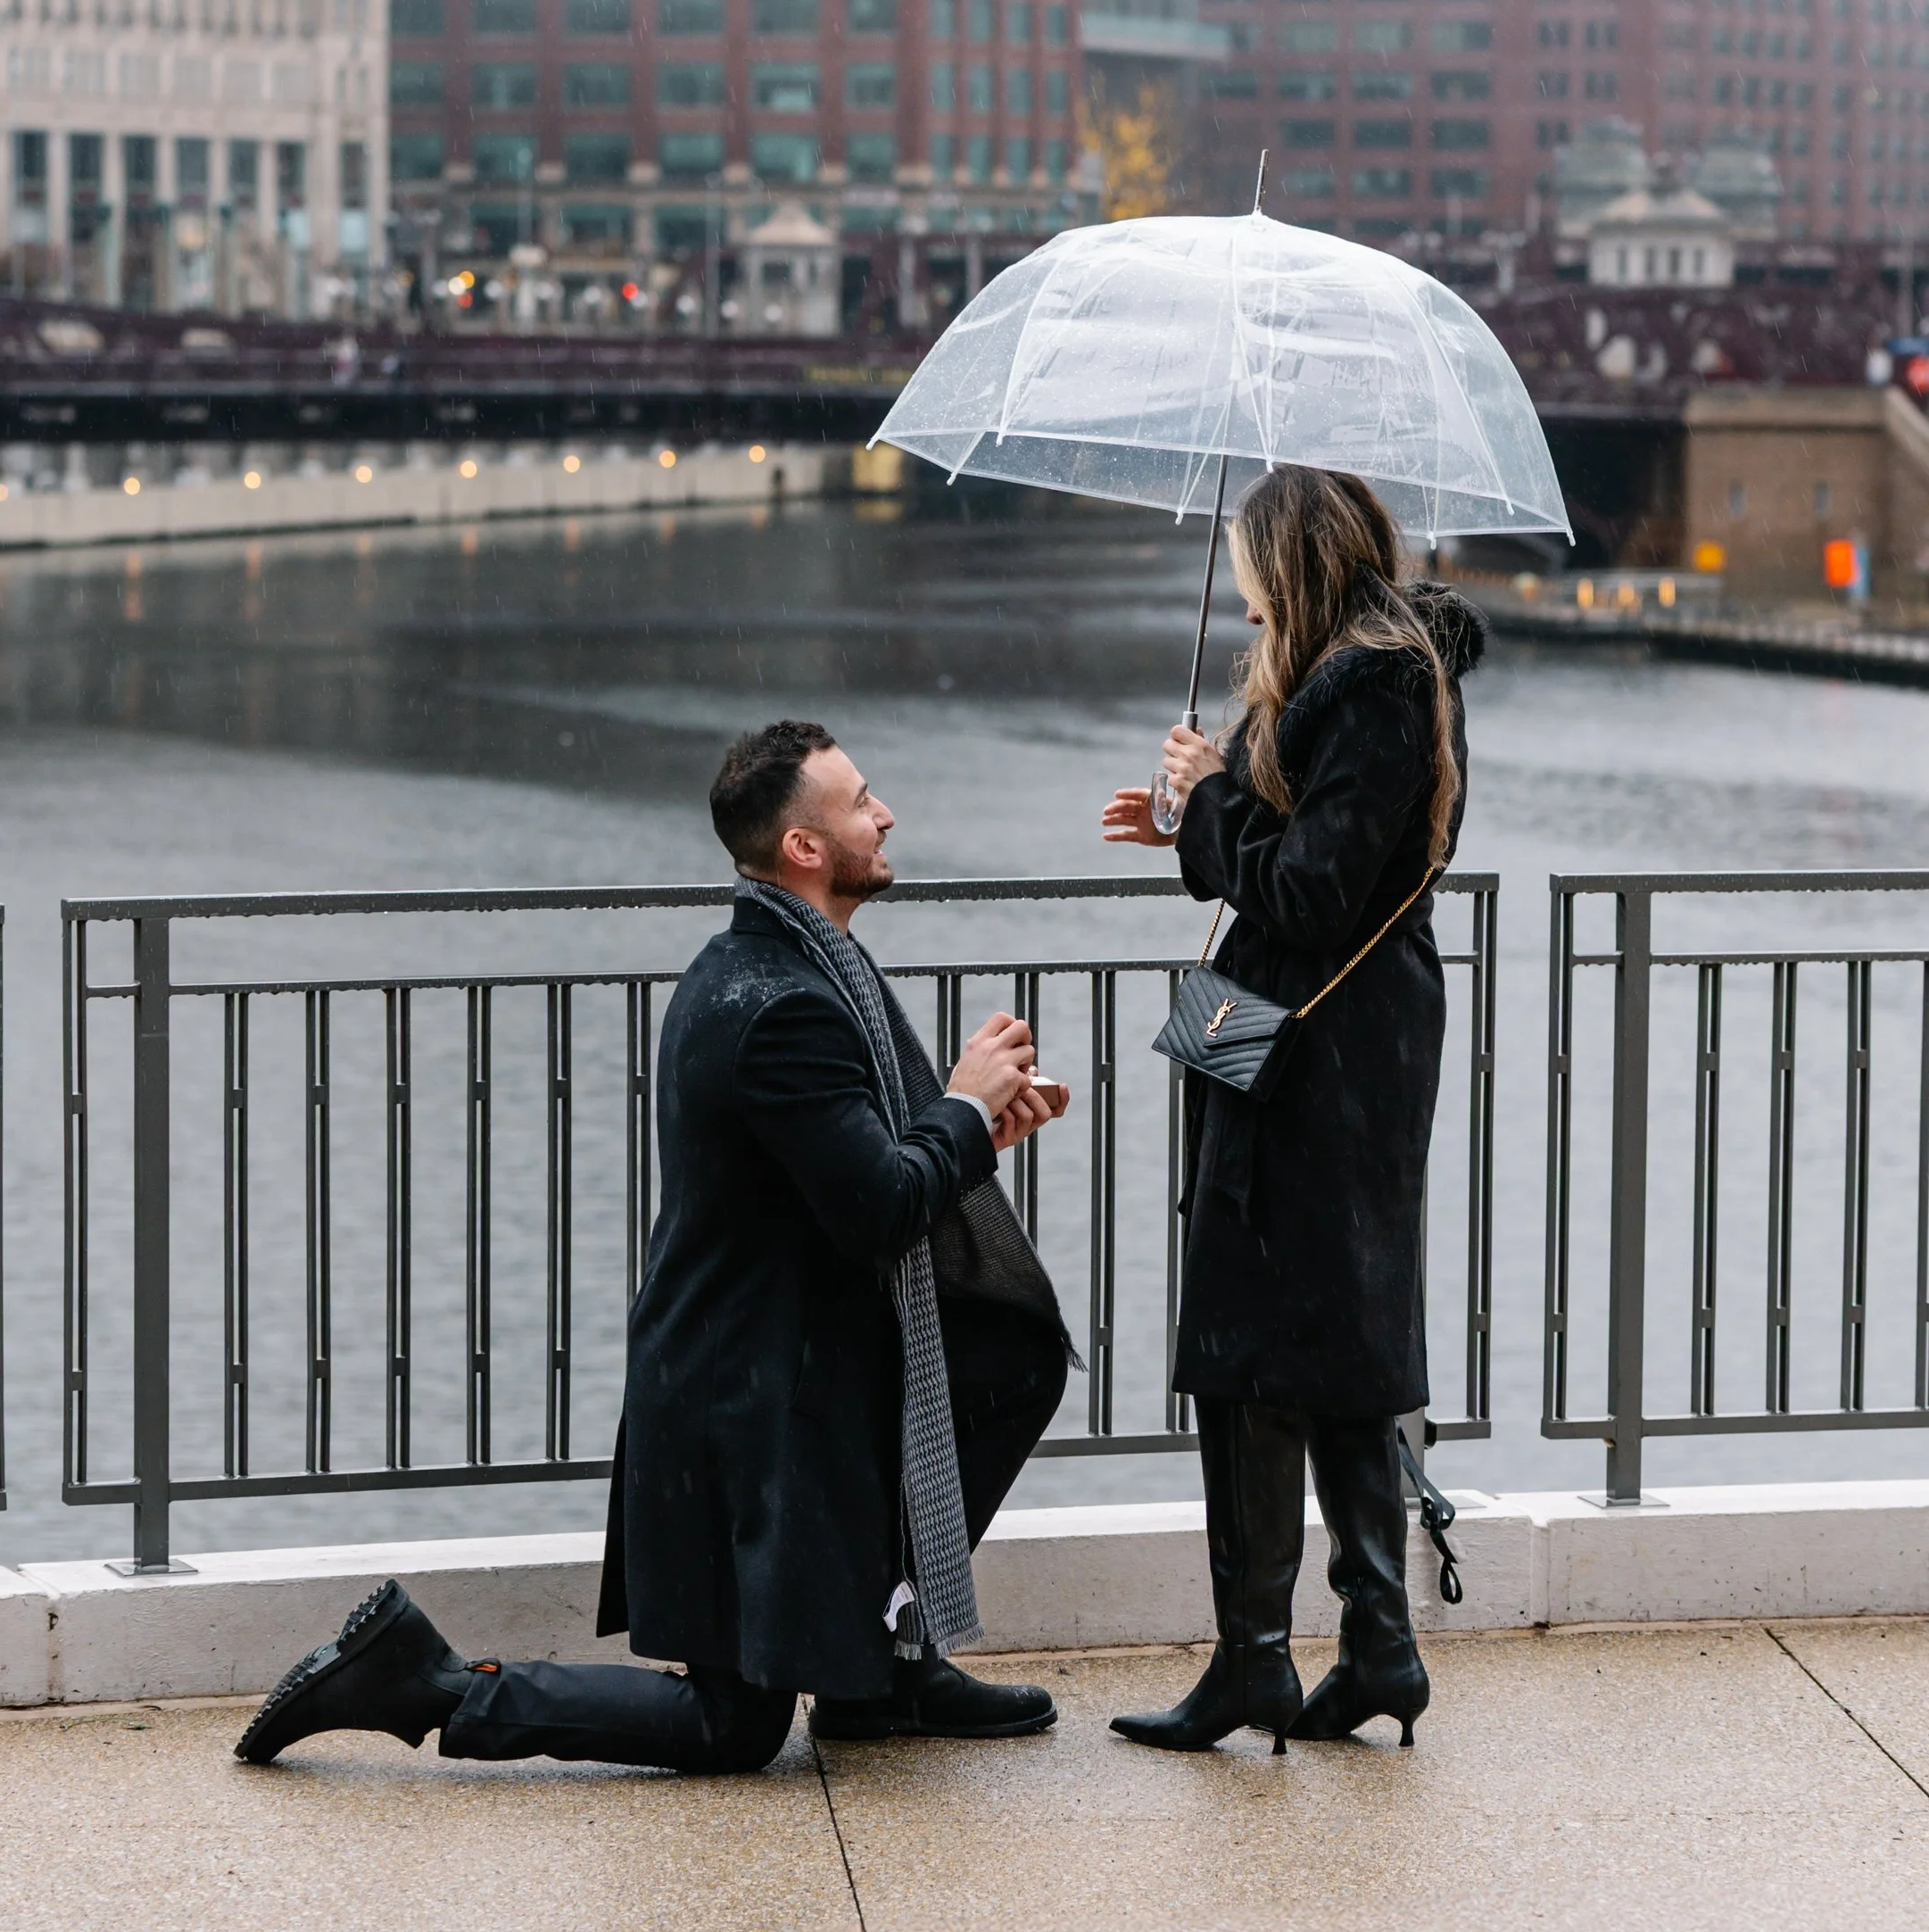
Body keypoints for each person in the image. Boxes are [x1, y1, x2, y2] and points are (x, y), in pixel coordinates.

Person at [237, 720, 1074, 1776]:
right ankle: (428, 1681)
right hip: (743, 1416)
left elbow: (840, 1182)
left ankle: (886, 1673)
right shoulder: (782, 1008)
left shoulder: (766, 969)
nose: (886, 812)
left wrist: (967, 1131)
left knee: (1004, 1359)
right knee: (732, 1731)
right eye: (862, 801)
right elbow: (873, 1210)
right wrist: (956, 1105)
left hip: (772, 1374)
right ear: (805, 850)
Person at [1100, 466, 1483, 1755]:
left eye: (1259, 585)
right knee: (1327, 1333)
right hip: (1307, 1031)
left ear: (1294, 560)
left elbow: (1315, 890)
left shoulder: (1373, 683)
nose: (1249, 608)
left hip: (1321, 1049)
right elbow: (1308, 849)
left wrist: (1209, 796)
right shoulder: (1363, 674)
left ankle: (1262, 1660)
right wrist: (1194, 818)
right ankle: (1372, 1645)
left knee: (1254, 1340)